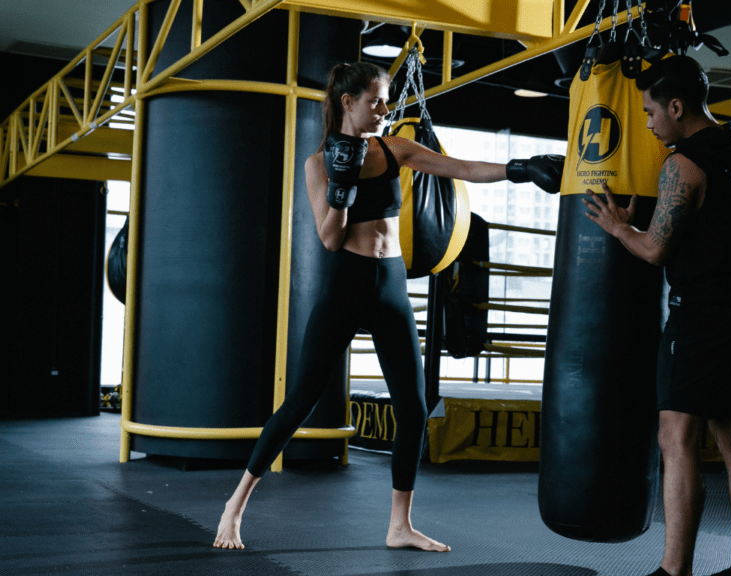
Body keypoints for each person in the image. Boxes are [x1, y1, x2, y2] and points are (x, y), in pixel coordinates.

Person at [213, 61, 563, 552]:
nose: (385, 108)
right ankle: (235, 505)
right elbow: (330, 239)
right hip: (347, 282)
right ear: (347, 103)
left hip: (390, 285)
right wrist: (342, 187)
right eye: (376, 100)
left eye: (387, 99)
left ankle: (400, 525)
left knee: (414, 409)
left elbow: (459, 168)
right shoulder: (317, 165)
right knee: (301, 402)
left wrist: (518, 169)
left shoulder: (394, 147)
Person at [581, 55, 731, 576]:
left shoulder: (682, 164)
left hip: (697, 324)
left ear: (676, 106)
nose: (647, 123)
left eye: (650, 113)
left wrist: (619, 227)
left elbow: (653, 252)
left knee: (677, 440)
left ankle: (674, 570)